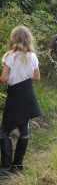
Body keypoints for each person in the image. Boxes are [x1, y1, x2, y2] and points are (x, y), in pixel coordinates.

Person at [0, 25, 41, 175]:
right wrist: (24, 74)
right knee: (24, 131)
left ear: (14, 39)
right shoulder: (33, 56)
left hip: (15, 96)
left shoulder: (9, 56)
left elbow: (4, 79)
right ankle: (17, 166)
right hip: (28, 95)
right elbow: (36, 78)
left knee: (4, 130)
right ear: (28, 40)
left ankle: (5, 168)